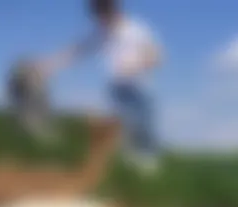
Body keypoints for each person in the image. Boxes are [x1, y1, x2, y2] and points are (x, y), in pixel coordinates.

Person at [44, 0, 164, 173]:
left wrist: (135, 65)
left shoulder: (136, 29)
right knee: (122, 137)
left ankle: (148, 177)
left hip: (140, 89)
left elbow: (157, 57)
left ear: (112, 11)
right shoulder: (103, 33)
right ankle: (127, 173)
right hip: (117, 90)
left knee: (143, 135)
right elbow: (78, 50)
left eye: (102, 17)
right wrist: (50, 65)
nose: (99, 22)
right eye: (97, 18)